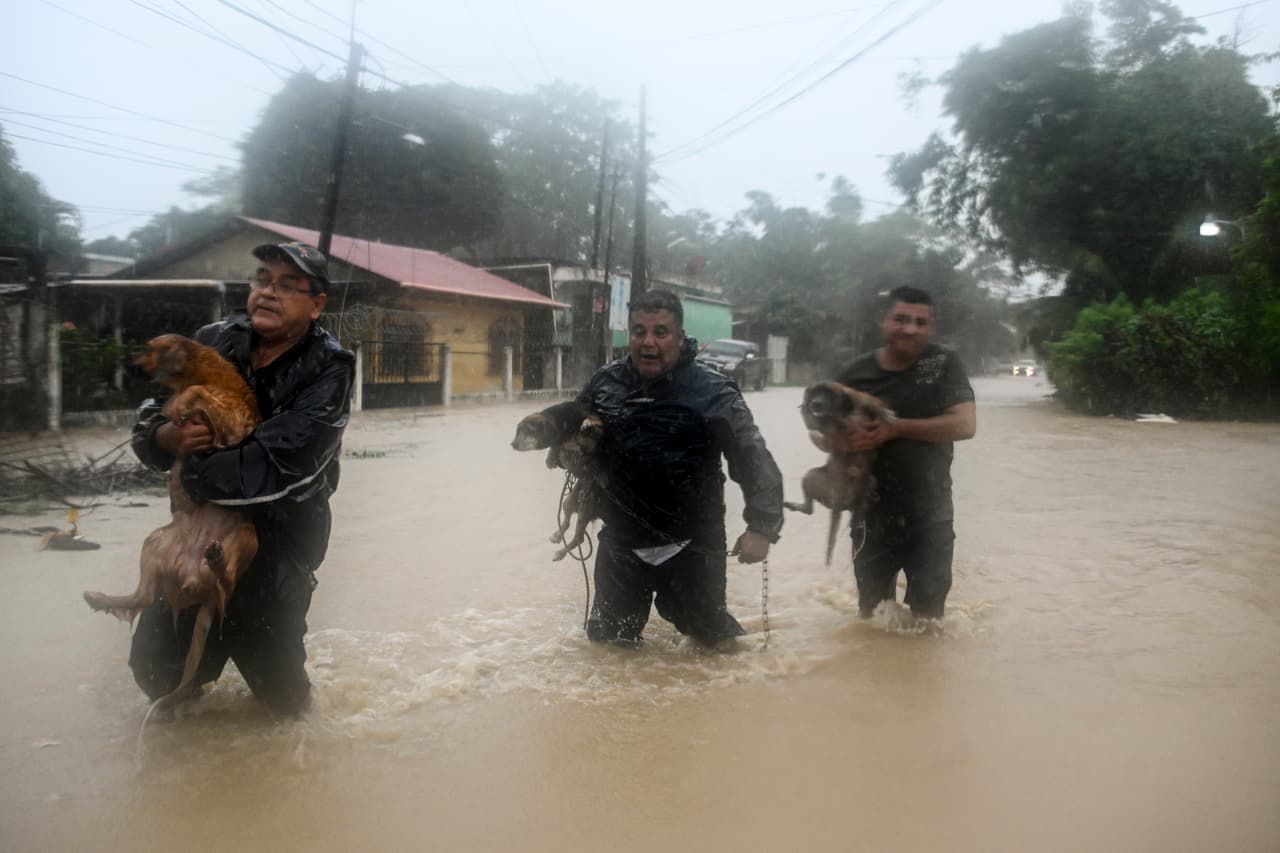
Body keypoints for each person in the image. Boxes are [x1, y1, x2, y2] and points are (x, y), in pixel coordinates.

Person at [129, 241, 354, 715]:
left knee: (281, 699)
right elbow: (155, 408)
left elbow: (280, 466)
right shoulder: (214, 338)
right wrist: (163, 438)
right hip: (197, 538)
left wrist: (190, 474)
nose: (269, 294)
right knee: (157, 673)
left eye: (289, 286)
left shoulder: (329, 368)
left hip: (277, 546)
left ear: (317, 305)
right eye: (262, 280)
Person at [577, 289, 784, 647]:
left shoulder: (714, 390)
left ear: (680, 335)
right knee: (607, 647)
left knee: (715, 645)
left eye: (661, 331)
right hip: (622, 541)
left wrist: (762, 526)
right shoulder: (605, 384)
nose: (648, 342)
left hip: (692, 544)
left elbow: (751, 455)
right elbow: (575, 430)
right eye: (639, 331)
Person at [832, 286, 975, 620]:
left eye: (920, 322)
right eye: (900, 319)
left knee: (929, 619)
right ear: (883, 321)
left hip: (930, 516)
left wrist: (895, 428)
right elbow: (822, 435)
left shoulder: (943, 364)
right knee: (874, 618)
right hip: (870, 515)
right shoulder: (855, 374)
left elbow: (965, 424)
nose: (910, 329)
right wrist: (843, 440)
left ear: (931, 327)